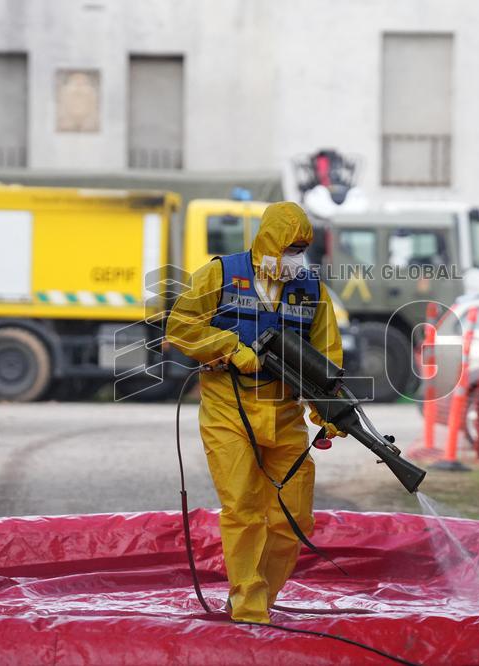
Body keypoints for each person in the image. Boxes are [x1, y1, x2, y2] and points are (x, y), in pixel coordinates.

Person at [166, 201, 343, 623]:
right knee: (243, 509)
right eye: (289, 247)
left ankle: (263, 592)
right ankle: (248, 605)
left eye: (302, 248)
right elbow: (182, 326)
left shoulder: (311, 289)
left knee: (294, 517)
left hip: (284, 414)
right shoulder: (220, 274)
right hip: (229, 411)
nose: (295, 257)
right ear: (268, 241)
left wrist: (328, 412)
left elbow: (326, 354)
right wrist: (231, 349)